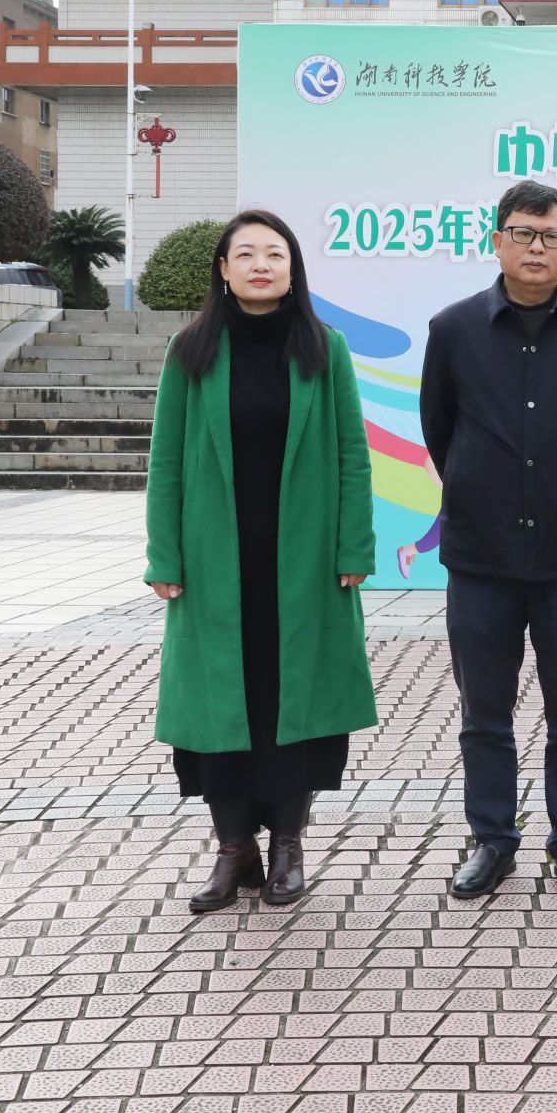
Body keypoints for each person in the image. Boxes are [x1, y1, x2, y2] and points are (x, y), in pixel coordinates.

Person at [145, 209, 378, 914]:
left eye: (274, 254)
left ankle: (287, 848)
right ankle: (233, 848)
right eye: (245, 254)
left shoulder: (323, 348)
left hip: (301, 561)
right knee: (221, 707)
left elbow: (352, 453)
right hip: (215, 561)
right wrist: (164, 552)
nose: (260, 265)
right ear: (223, 269)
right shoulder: (190, 350)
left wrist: (354, 546)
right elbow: (166, 460)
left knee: (289, 703)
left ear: (292, 268)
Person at [419, 179, 557, 903]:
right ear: (497, 240)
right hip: (480, 556)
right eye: (523, 232)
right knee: (484, 710)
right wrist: (478, 486)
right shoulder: (453, 329)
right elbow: (439, 428)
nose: (537, 247)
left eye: (551, 235)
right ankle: (492, 838)